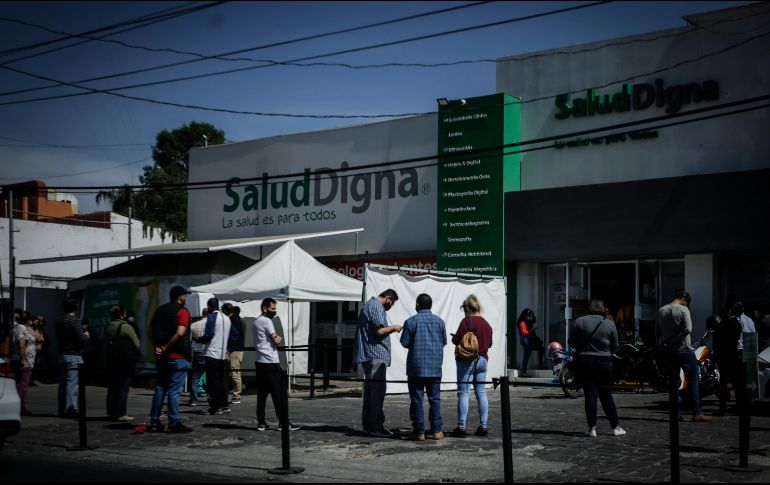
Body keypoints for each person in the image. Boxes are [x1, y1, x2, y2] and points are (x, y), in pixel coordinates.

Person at [569, 298, 626, 437]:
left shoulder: (579, 321)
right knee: (607, 396)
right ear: (603, 309)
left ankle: (592, 428)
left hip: (585, 360)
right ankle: (615, 427)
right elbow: (615, 344)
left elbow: (572, 342)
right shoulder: (609, 323)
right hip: (604, 361)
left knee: (590, 395)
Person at [352, 289, 402, 437]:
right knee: (376, 393)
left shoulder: (371, 305)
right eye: (392, 303)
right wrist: (394, 327)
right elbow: (379, 331)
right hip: (374, 355)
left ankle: (372, 425)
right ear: (388, 298)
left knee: (372, 392)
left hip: (372, 355)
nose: (391, 306)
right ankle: (374, 426)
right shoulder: (375, 306)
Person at [657, 290, 711, 422]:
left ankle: (675, 413)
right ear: (684, 300)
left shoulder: (661, 310)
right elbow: (688, 329)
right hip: (684, 349)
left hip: (670, 350)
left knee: (674, 383)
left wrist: (668, 341)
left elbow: (658, 330)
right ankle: (697, 412)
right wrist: (677, 339)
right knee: (693, 380)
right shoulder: (683, 309)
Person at [400, 293, 447, 441]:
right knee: (435, 399)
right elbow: (444, 341)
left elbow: (404, 342)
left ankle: (419, 432)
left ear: (417, 305)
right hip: (435, 367)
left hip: (416, 368)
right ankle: (437, 431)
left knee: (417, 399)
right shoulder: (440, 322)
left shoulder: (410, 321)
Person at [148, 285, 193, 433]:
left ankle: (154, 422)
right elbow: (180, 332)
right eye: (185, 296)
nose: (185, 299)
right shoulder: (182, 311)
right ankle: (174, 422)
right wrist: (166, 347)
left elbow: (150, 329)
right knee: (174, 391)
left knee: (160, 388)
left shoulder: (159, 310)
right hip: (177, 356)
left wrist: (157, 347)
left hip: (161, 357)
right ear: (181, 297)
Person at [253, 298, 299, 431]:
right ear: (265, 309)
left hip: (259, 361)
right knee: (278, 394)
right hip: (270, 362)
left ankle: (261, 422)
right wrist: (280, 338)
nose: (275, 311)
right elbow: (276, 340)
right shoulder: (267, 321)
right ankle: (283, 422)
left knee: (262, 394)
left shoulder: (256, 322)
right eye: (272, 309)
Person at [451, 294, 493, 438]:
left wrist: (456, 339)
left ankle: (461, 428)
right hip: (483, 360)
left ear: (467, 308)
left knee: (464, 393)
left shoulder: (466, 322)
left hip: (467, 359)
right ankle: (483, 426)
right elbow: (490, 344)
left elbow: (456, 340)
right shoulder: (487, 324)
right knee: (481, 394)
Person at [199, 299, 234, 415]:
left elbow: (209, 335)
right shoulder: (227, 318)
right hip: (223, 354)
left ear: (209, 307)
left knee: (213, 381)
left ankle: (215, 406)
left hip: (212, 353)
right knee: (223, 381)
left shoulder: (212, 317)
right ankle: (224, 404)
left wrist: (199, 339)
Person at [105, 305, 140, 422]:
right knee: (123, 388)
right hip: (125, 362)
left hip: (112, 361)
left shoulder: (109, 327)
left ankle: (111, 412)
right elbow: (137, 344)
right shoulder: (126, 327)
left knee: (112, 388)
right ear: (122, 314)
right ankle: (121, 413)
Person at [56, 298, 90, 418]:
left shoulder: (59, 320)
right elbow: (81, 338)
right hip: (73, 354)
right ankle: (70, 409)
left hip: (62, 353)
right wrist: (86, 335)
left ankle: (61, 409)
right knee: (72, 384)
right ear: (75, 307)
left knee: (62, 383)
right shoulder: (75, 321)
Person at [711, 311, 743, 416]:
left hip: (724, 357)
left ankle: (722, 408)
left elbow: (716, 342)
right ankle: (739, 406)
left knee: (723, 383)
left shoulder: (721, 325)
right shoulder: (737, 324)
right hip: (734, 355)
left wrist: (717, 356)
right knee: (736, 382)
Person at [11, 311, 36, 416]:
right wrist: (24, 359)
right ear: (28, 320)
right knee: (23, 384)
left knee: (18, 383)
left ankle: (17, 406)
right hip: (24, 361)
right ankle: (21, 407)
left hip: (18, 359)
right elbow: (22, 345)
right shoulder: (22, 328)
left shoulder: (17, 327)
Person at [188, 308, 208, 407]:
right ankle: (211, 398)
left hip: (196, 353)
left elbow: (189, 340)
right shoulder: (211, 325)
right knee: (210, 377)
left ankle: (193, 400)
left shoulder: (193, 325)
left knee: (195, 378)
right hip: (207, 352)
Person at [517, 308, 544, 377]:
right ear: (525, 315)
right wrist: (532, 329)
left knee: (541, 349)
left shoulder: (527, 321)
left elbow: (534, 320)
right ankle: (523, 372)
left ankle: (541, 365)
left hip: (529, 340)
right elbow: (524, 332)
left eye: (529, 315)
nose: (529, 317)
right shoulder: (522, 322)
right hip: (526, 340)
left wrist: (533, 314)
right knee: (526, 356)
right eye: (528, 315)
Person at [228, 305, 245, 405]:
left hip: (235, 350)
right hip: (240, 349)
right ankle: (237, 394)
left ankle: (236, 395)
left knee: (235, 373)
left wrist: (229, 349)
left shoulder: (234, 320)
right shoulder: (241, 321)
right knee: (236, 372)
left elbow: (234, 336)